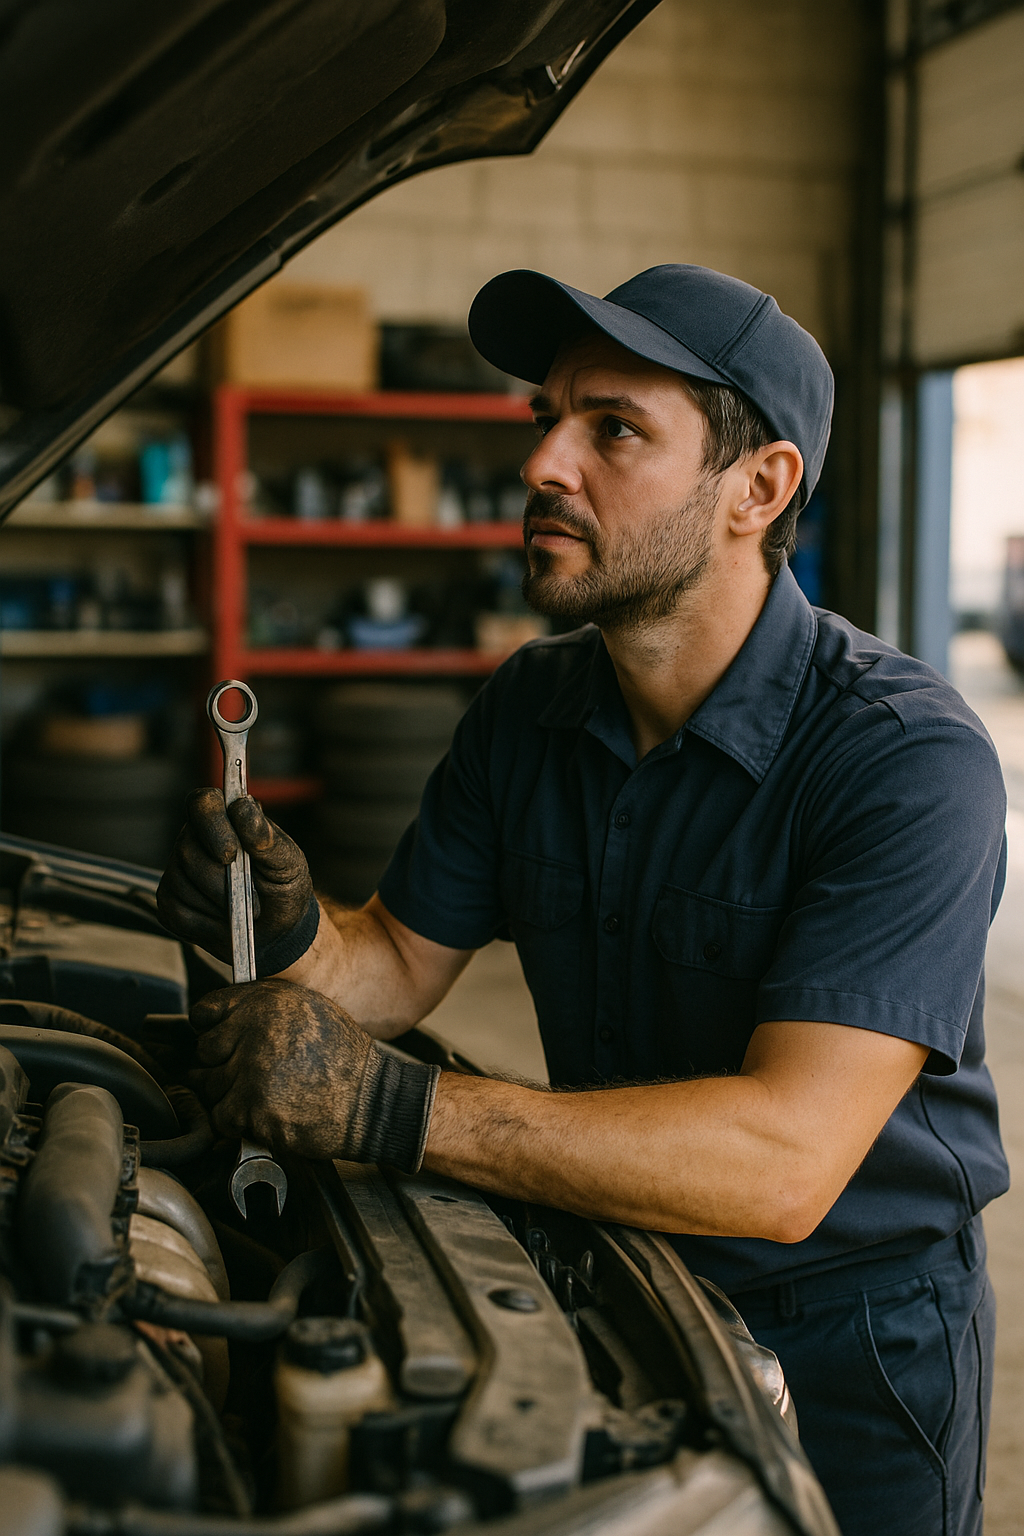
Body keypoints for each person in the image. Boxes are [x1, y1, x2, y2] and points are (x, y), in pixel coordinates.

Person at [159, 265, 1008, 1536]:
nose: (545, 461)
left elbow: (783, 1163)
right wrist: (288, 931)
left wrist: (397, 1108)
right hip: (611, 1279)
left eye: (613, 427)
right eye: (546, 418)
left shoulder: (902, 760)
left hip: (849, 1341)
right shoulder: (528, 712)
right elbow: (390, 961)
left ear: (757, 488)